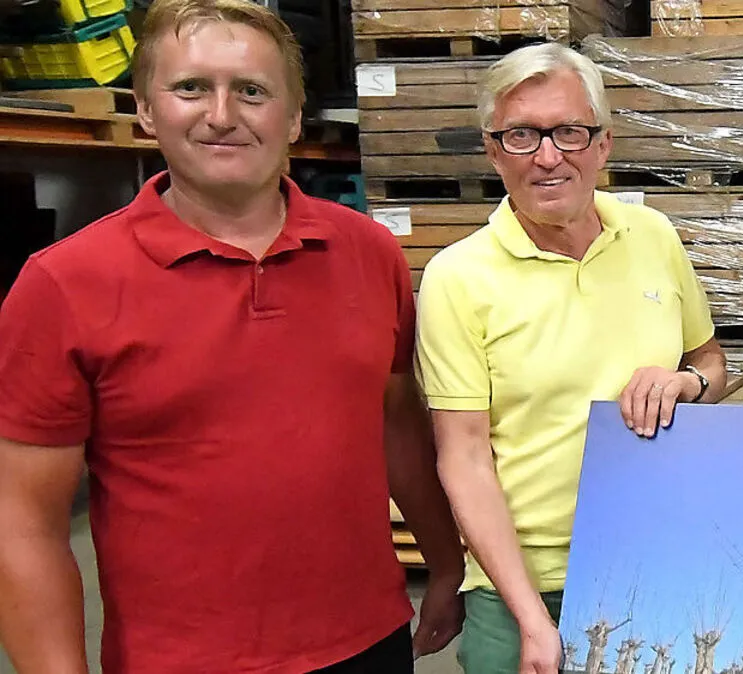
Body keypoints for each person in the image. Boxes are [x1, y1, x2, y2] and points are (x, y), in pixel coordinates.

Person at [0, 0, 465, 671]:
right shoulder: (62, 285)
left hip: (367, 643)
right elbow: (23, 525)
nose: (222, 115)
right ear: (146, 109)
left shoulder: (368, 253)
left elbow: (398, 421)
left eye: (252, 91)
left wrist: (446, 565)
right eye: (191, 88)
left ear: (294, 116)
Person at [414, 42, 728, 674]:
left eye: (568, 132)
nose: (549, 156)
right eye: (522, 135)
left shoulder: (654, 237)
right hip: (521, 584)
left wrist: (687, 384)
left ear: (604, 144)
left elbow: (714, 364)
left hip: (658, 563)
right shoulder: (457, 278)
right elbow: (464, 457)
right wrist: (533, 619)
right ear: (493, 150)